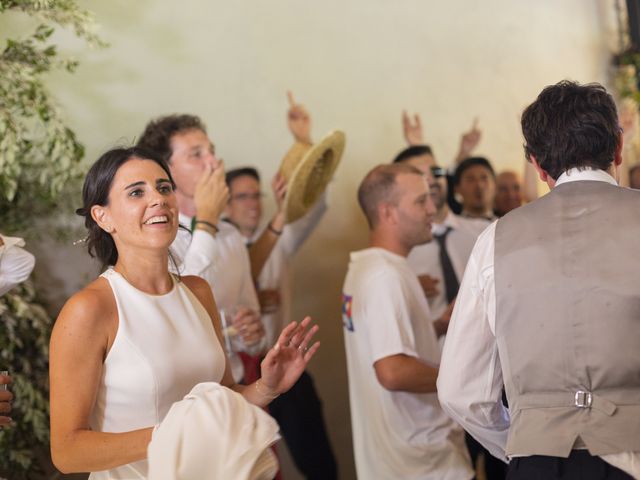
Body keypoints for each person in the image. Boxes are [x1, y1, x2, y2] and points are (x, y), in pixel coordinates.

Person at [49, 147, 320, 477]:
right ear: (103, 217)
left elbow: (224, 401)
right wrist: (174, 436)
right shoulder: (90, 309)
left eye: (164, 188)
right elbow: (67, 451)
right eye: (136, 192)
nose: (159, 199)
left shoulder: (198, 291)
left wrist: (266, 387)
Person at [438, 80, 640, 480]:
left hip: (539, 463)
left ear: (538, 165)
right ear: (618, 148)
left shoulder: (494, 240)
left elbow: (459, 391)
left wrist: (524, 443)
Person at [224, 94, 337, 480]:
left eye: (257, 194)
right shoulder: (216, 251)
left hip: (287, 364)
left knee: (319, 463)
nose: (253, 203)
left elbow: (316, 205)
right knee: (254, 468)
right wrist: (253, 297)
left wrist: (304, 142)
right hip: (241, 379)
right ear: (224, 204)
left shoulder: (281, 238)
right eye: (243, 196)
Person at [341, 163, 473, 479]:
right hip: (422, 463)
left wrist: (437, 325)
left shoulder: (368, 267)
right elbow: (393, 371)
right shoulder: (384, 275)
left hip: (403, 460)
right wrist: (469, 380)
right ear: (388, 213)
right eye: (420, 201)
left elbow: (382, 342)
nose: (432, 208)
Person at [137, 115, 266, 383]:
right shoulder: (153, 239)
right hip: (183, 396)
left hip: (235, 385)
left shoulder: (230, 235)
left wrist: (252, 335)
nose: (214, 163)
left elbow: (251, 321)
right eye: (196, 155)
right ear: (165, 171)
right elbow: (180, 305)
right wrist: (206, 220)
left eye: (212, 152)